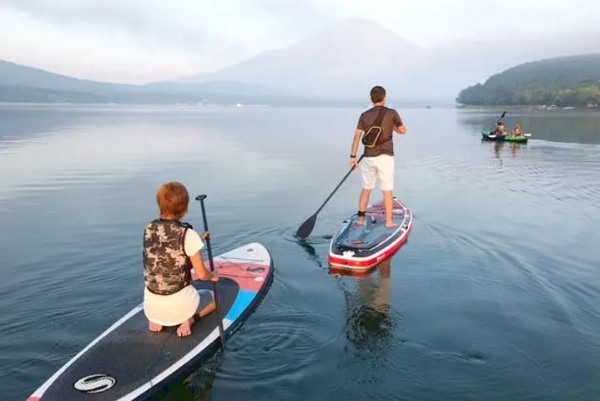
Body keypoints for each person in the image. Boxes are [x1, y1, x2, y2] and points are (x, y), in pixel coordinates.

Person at [142, 181, 219, 337]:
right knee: (214, 298)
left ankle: (158, 320)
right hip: (180, 307)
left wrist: (199, 239)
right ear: (185, 209)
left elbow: (168, 248)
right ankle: (190, 319)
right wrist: (213, 275)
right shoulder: (187, 234)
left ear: (159, 205)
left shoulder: (149, 228)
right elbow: (202, 275)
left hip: (151, 308)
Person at [350, 85, 406, 228]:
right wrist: (391, 125)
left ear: (371, 99)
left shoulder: (364, 115)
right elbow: (403, 131)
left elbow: (357, 137)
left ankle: (360, 220)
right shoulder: (392, 113)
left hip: (368, 157)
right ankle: (388, 221)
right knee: (387, 191)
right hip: (386, 158)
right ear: (384, 98)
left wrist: (353, 157)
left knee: (366, 189)